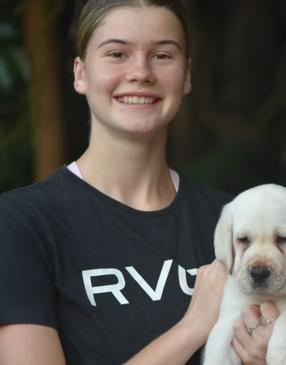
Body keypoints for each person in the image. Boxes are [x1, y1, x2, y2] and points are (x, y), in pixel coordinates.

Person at [0, 1, 231, 364]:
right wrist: (193, 327)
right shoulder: (20, 223)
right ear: (80, 73)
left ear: (186, 76)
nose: (140, 72)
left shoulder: (232, 220)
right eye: (118, 53)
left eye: (162, 55)